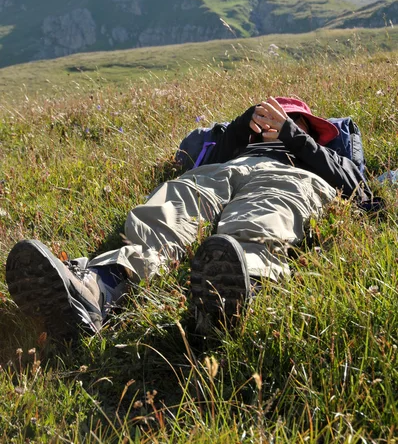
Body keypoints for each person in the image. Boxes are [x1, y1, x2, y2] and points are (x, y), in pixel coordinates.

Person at [6, 97, 372, 340]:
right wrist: (243, 127)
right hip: (222, 171)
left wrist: (295, 137)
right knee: (168, 211)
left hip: (289, 177)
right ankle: (94, 290)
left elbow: (356, 185)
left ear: (308, 127)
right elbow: (211, 159)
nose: (276, 124)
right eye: (268, 120)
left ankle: (231, 297)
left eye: (291, 120)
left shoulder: (319, 152)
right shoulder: (238, 143)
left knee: (261, 220)